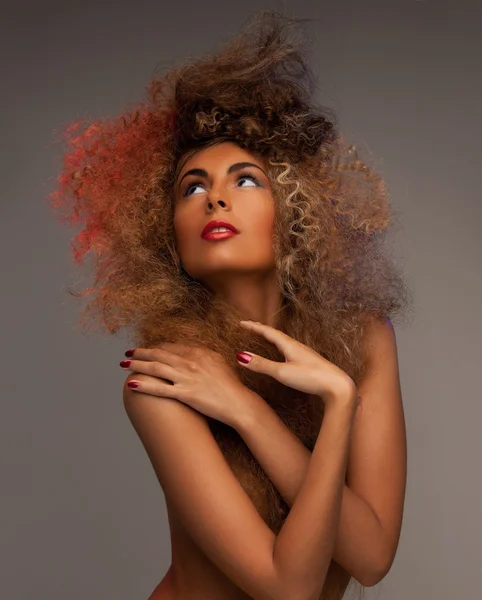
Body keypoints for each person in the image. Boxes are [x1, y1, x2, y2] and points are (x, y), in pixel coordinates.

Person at [49, 10, 411, 600]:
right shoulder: (167, 377)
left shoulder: (363, 339)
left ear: (297, 212)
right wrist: (260, 407)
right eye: (192, 188)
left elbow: (370, 558)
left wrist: (292, 407)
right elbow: (287, 587)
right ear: (165, 233)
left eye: (245, 180)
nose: (214, 197)